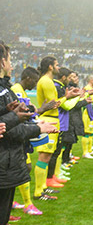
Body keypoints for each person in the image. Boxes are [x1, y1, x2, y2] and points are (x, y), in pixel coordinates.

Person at [0, 43, 57, 225]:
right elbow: (7, 128)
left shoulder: (5, 89)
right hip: (5, 155)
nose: (11, 64)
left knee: (3, 210)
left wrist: (16, 115)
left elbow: (7, 121)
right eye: (10, 59)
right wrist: (36, 126)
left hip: (9, 157)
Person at [10, 67, 58, 215]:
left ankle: (16, 202)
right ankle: (27, 204)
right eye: (35, 82)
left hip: (21, 135)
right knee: (23, 168)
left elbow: (27, 112)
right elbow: (21, 113)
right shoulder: (16, 89)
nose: (35, 85)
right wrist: (41, 111)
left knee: (25, 167)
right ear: (29, 79)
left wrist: (40, 110)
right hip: (16, 134)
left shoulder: (21, 90)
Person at [34, 57, 82, 199]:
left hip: (52, 120)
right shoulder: (47, 82)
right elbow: (53, 104)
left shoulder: (46, 81)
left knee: (47, 156)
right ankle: (39, 192)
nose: (58, 67)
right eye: (56, 65)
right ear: (50, 67)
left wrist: (66, 96)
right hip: (49, 120)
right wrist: (66, 97)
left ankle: (43, 188)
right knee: (44, 156)